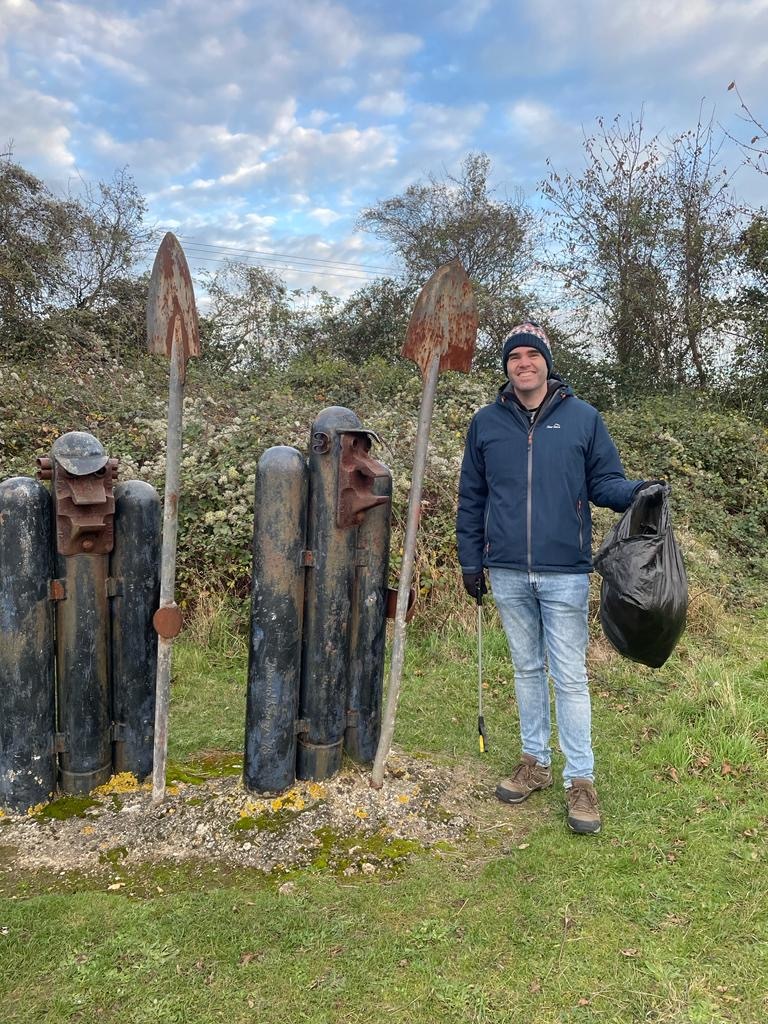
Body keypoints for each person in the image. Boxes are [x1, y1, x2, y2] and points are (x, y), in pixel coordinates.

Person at [456, 321, 657, 835]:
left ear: (547, 361)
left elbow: (605, 484)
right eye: (515, 356)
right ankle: (534, 763)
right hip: (505, 570)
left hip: (565, 571)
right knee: (526, 670)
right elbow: (472, 498)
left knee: (569, 676)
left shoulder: (584, 419)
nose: (524, 363)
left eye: (532, 354)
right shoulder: (485, 424)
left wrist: (638, 491)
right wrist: (470, 560)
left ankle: (581, 780)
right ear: (506, 366)